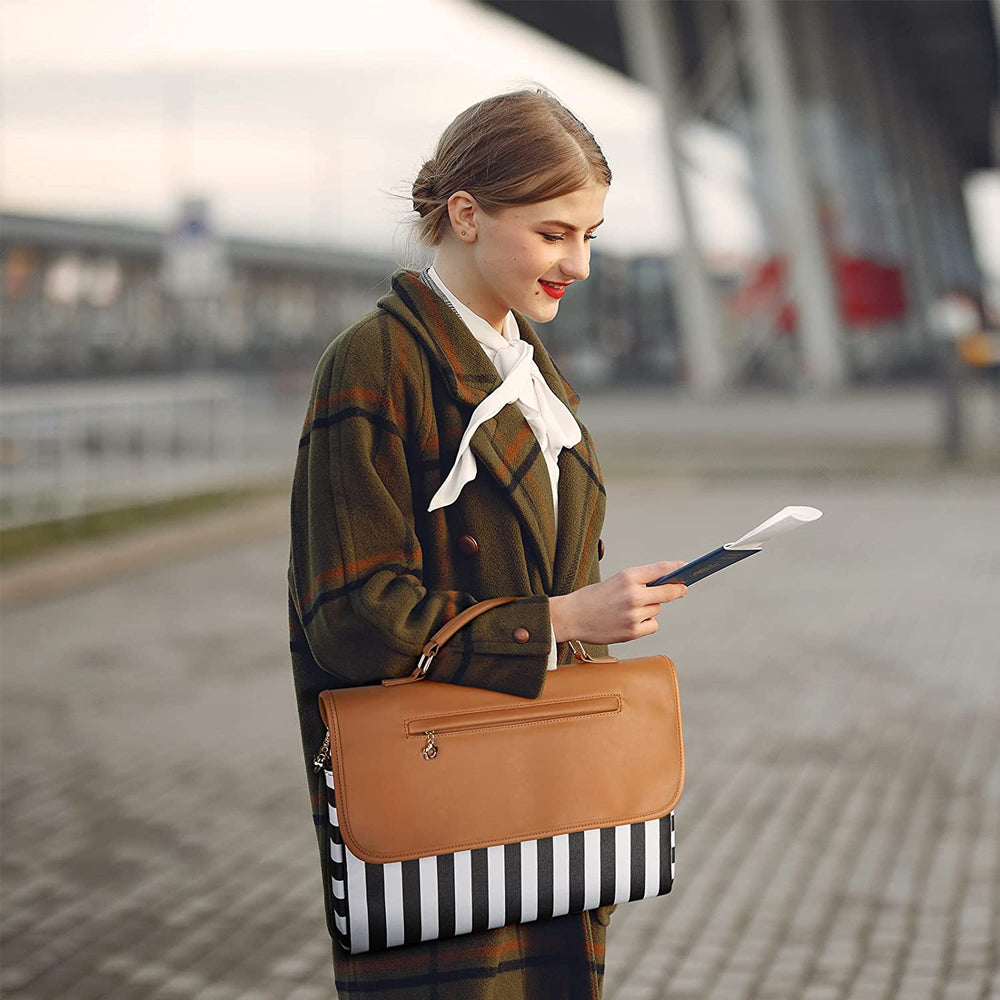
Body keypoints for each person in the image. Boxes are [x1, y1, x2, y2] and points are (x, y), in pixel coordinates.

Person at [287, 87, 689, 1000]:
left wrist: (596, 613)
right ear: (465, 216)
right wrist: (559, 616)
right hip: (442, 801)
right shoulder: (376, 362)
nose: (579, 264)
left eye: (589, 235)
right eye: (555, 234)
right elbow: (348, 617)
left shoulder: (530, 370)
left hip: (545, 787)